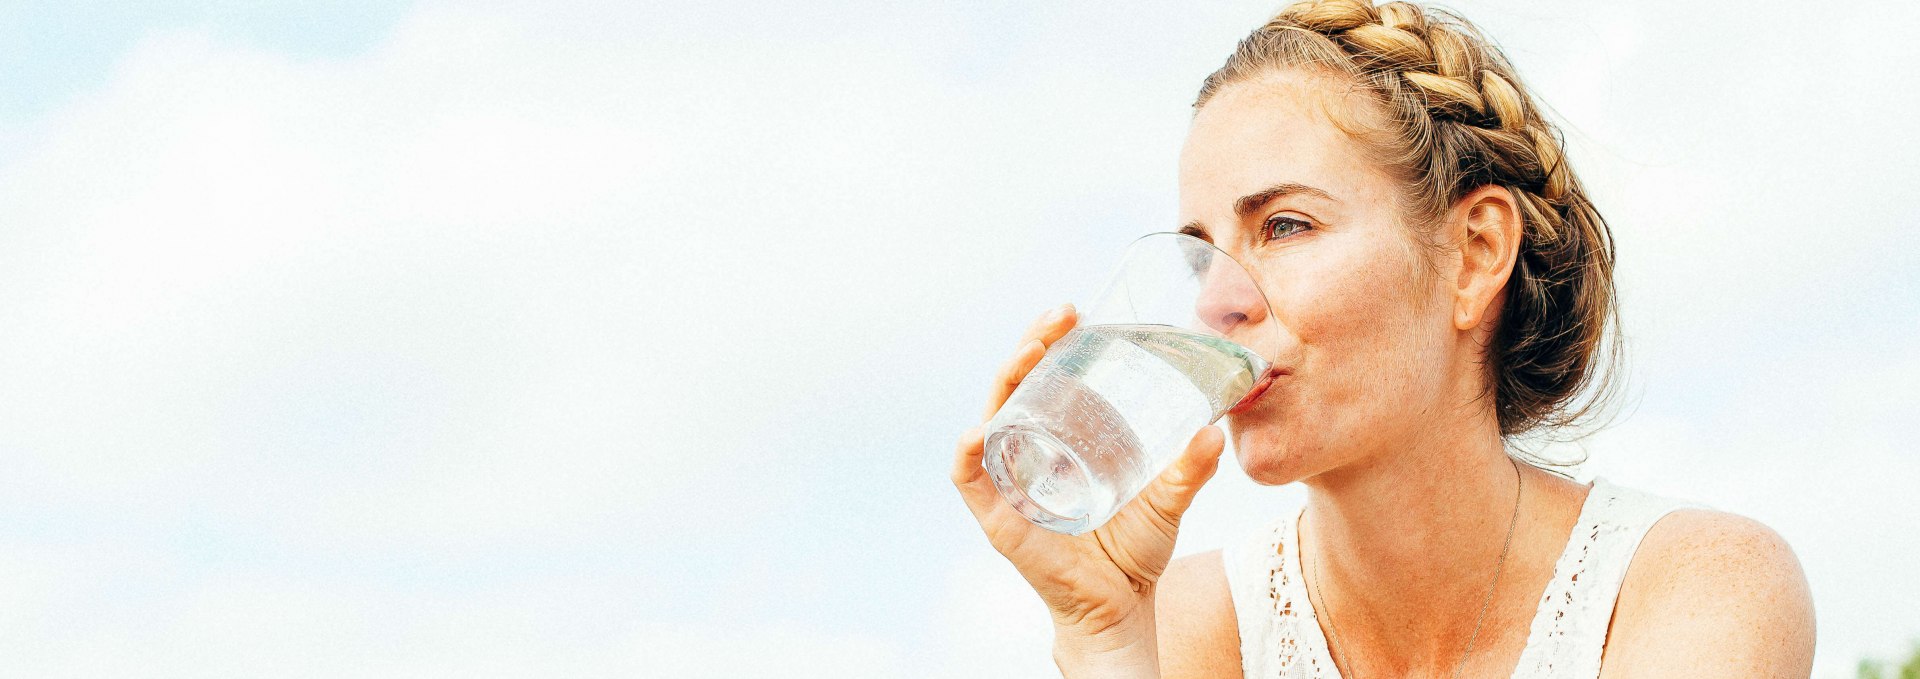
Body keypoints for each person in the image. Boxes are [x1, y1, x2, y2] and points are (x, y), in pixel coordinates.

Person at [949, 1, 1817, 677]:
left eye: (1285, 226)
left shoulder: (1697, 588)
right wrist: (1102, 641)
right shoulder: (1181, 628)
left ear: (1475, 255)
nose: (1217, 300)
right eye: (1202, 252)